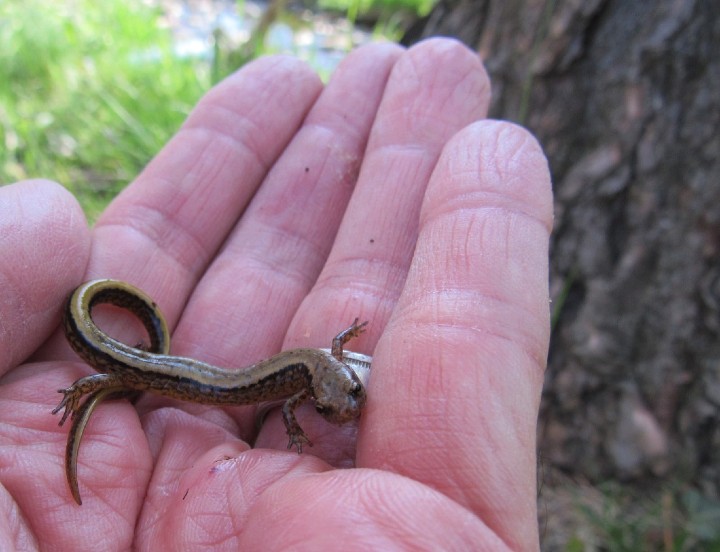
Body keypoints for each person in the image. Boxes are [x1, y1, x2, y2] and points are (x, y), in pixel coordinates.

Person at [0, 38, 552, 550]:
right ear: (320, 380)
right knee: (122, 374)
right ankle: (92, 383)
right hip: (177, 377)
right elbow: (304, 389)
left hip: (199, 378)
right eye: (339, 403)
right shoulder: (310, 376)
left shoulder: (315, 376)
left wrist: (312, 396)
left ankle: (113, 375)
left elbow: (307, 386)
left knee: (138, 370)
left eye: (344, 403)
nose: (343, 412)